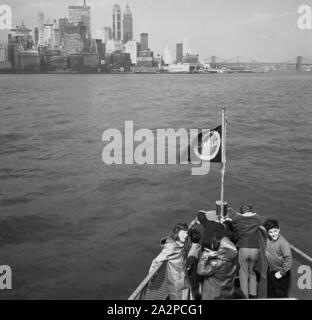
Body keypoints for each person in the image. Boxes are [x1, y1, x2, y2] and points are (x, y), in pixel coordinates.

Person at [228, 204, 263, 299]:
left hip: (243, 248)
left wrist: (237, 214)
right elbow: (260, 220)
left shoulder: (238, 219)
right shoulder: (257, 218)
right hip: (255, 249)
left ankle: (245, 296)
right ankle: (253, 295)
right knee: (252, 272)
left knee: (243, 274)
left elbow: (233, 219)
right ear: (250, 211)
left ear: (242, 212)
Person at [149, 223, 189, 300]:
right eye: (183, 232)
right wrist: (151, 278)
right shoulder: (171, 247)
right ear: (177, 233)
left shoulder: (181, 243)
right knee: (177, 297)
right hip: (176, 280)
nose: (186, 235)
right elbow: (156, 261)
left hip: (182, 277)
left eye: (186, 232)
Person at [197, 233, 238, 300]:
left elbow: (200, 271)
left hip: (213, 295)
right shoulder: (234, 259)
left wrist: (206, 256)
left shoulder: (216, 263)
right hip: (228, 293)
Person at [264, 219, 292, 298]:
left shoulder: (283, 243)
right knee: (270, 294)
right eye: (271, 232)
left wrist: (282, 273)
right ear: (268, 232)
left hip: (281, 273)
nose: (273, 234)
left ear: (279, 229)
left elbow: (288, 259)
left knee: (280, 296)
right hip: (271, 271)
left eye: (275, 231)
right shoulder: (268, 239)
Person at [186, 228, 202, 300]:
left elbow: (188, 268)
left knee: (192, 295)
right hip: (198, 275)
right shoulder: (200, 246)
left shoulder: (192, 253)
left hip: (193, 277)